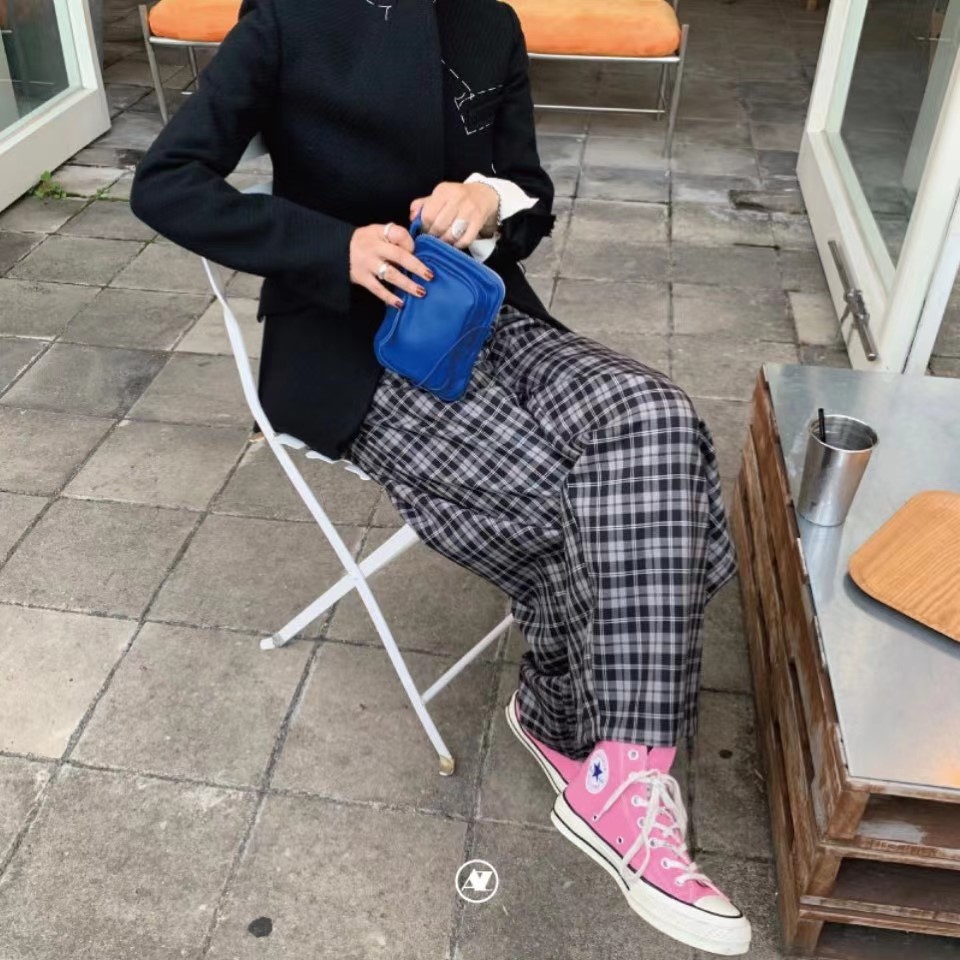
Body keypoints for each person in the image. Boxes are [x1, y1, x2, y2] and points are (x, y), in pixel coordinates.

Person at [130, 0, 750, 953]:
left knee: (655, 420)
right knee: (592, 503)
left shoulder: (487, 23)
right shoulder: (292, 16)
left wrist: (489, 201)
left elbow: (531, 192)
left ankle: (589, 742)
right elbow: (166, 181)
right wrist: (330, 246)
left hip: (483, 312)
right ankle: (603, 755)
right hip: (348, 344)